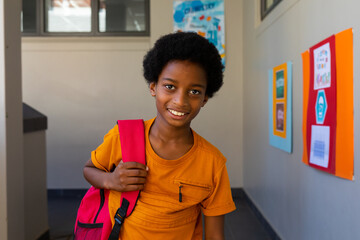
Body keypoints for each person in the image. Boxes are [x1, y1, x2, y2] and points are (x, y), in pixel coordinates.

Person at [83, 31, 236, 240]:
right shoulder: (124, 136)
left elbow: (215, 236)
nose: (180, 100)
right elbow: (89, 169)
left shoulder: (212, 163)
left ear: (205, 99)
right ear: (153, 87)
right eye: (170, 87)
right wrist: (111, 180)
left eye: (194, 91)